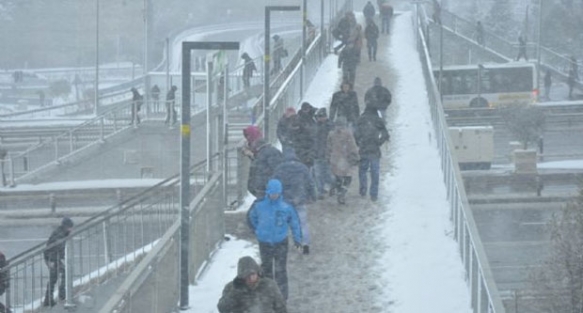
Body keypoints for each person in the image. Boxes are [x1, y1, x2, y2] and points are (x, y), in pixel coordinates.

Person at [248, 179, 303, 301]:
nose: (274, 195)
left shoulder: (286, 206)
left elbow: (294, 223)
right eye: (272, 193)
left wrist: (297, 239)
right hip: (265, 242)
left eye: (276, 193)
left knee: (281, 270)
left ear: (280, 193)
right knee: (266, 270)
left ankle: (282, 297)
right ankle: (268, 295)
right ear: (268, 192)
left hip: (280, 242)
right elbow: (252, 218)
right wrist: (258, 230)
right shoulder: (259, 205)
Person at [273, 149, 316, 254]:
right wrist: (313, 196)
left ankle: (281, 245)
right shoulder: (302, 167)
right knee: (302, 223)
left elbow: (274, 183)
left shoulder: (279, 169)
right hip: (299, 199)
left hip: (284, 200)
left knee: (282, 223)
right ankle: (305, 244)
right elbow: (310, 183)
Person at [217, 256, 287, 313]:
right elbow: (222, 308)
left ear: (257, 272)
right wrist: (235, 292)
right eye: (247, 276)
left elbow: (281, 308)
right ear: (241, 277)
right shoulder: (232, 288)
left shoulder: (269, 285)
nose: (250, 278)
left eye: (252, 274)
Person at [354, 104, 390, 202]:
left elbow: (355, 133)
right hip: (374, 150)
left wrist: (359, 142)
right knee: (375, 173)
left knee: (362, 171)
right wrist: (379, 142)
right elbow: (385, 134)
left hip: (364, 149)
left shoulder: (361, 119)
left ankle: (363, 189)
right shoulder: (377, 120)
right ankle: (373, 194)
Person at [327, 116, 360, 204]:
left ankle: (338, 191)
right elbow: (352, 146)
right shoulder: (348, 134)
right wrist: (356, 156)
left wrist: (329, 156)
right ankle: (342, 193)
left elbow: (328, 147)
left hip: (335, 159)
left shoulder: (331, 134)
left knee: (338, 177)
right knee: (348, 178)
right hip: (345, 159)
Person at [43, 217, 74, 307]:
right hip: (52, 258)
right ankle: (59, 295)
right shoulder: (59, 234)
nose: (71, 229)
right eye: (70, 227)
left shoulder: (62, 233)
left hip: (53, 258)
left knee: (55, 277)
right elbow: (54, 248)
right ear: (66, 226)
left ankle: (50, 298)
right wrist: (52, 261)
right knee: (58, 275)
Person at [313, 108, 335, 199]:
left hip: (325, 154)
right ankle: (321, 191)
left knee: (325, 173)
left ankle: (330, 187)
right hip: (319, 153)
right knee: (319, 174)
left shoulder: (328, 127)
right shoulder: (326, 127)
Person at [293, 102, 317, 168]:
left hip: (312, 142)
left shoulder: (315, 115)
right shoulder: (299, 119)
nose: (306, 111)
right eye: (304, 110)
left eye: (307, 109)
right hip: (304, 142)